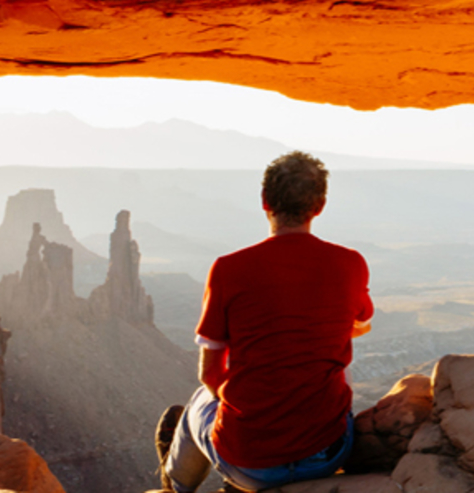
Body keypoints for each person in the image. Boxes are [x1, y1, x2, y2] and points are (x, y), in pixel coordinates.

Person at [155, 151, 374, 492]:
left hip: (249, 464)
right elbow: (361, 321)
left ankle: (174, 486)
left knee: (200, 399)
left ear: (264, 201)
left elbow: (210, 374)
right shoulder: (350, 263)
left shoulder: (229, 269)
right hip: (327, 455)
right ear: (320, 206)